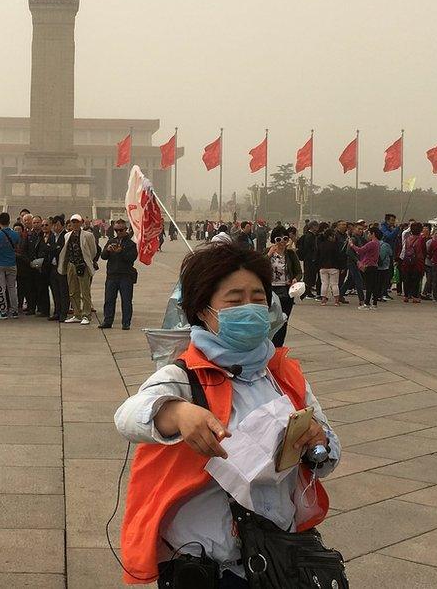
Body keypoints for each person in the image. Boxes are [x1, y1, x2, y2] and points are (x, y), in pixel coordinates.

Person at [114, 242, 340, 587]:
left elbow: (327, 455)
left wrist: (319, 444)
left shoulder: (282, 373)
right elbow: (128, 415)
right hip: (210, 566)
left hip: (279, 556)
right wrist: (176, 413)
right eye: (234, 301)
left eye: (258, 297)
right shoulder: (183, 376)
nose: (248, 308)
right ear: (204, 310)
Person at [59, 213, 98, 325]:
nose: (75, 224)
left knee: (85, 292)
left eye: (77, 221)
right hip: (71, 264)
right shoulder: (67, 235)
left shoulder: (88, 235)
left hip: (83, 265)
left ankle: (86, 315)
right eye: (73, 222)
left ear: (81, 223)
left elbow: (93, 251)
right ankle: (77, 314)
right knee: (73, 291)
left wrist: (86, 260)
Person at [99, 218, 138, 330]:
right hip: (112, 275)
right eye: (116, 230)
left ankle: (126, 322)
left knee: (126, 301)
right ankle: (108, 321)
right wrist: (108, 250)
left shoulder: (131, 244)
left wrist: (121, 252)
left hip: (125, 276)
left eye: (121, 230)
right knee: (109, 300)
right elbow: (103, 256)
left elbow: (131, 258)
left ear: (126, 229)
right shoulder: (111, 241)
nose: (119, 232)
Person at [268, 226, 302, 340]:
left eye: (285, 238)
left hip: (286, 290)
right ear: (274, 240)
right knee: (270, 320)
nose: (282, 242)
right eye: (279, 239)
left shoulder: (291, 254)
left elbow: (298, 272)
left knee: (283, 320)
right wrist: (269, 255)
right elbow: (258, 266)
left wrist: (295, 279)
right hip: (271, 290)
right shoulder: (268, 252)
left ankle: (279, 347)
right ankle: (269, 345)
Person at [0, 212, 21, 320]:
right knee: (12, 288)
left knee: (1, 289)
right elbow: (17, 248)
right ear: (9, 221)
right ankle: (15, 311)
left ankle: (3, 312)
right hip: (12, 264)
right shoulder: (15, 234)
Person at [349, 227, 381, 309]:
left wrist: (352, 245)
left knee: (368, 285)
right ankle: (374, 303)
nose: (367, 235)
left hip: (369, 266)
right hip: (374, 266)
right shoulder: (377, 243)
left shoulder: (371, 243)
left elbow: (360, 250)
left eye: (369, 233)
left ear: (373, 234)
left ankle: (366, 303)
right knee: (374, 285)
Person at [46, 216, 70, 321]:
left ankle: (63, 313)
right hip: (52, 267)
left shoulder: (66, 236)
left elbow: (58, 250)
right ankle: (57, 311)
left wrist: (53, 248)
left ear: (62, 225)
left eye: (57, 225)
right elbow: (48, 249)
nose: (55, 227)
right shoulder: (51, 236)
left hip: (62, 267)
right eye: (54, 225)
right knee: (55, 291)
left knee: (63, 291)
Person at [400, 222, 427, 303]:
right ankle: (415, 297)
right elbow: (424, 251)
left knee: (407, 279)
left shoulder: (408, 238)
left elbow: (404, 249)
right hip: (418, 262)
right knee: (416, 279)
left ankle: (406, 296)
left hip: (407, 261)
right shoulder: (421, 239)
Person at [315, 228, 342, 306]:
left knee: (324, 283)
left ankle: (323, 300)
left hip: (323, 267)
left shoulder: (321, 245)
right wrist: (340, 266)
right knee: (334, 284)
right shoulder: (335, 245)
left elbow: (317, 256)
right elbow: (338, 257)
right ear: (331, 236)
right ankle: (336, 301)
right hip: (334, 267)